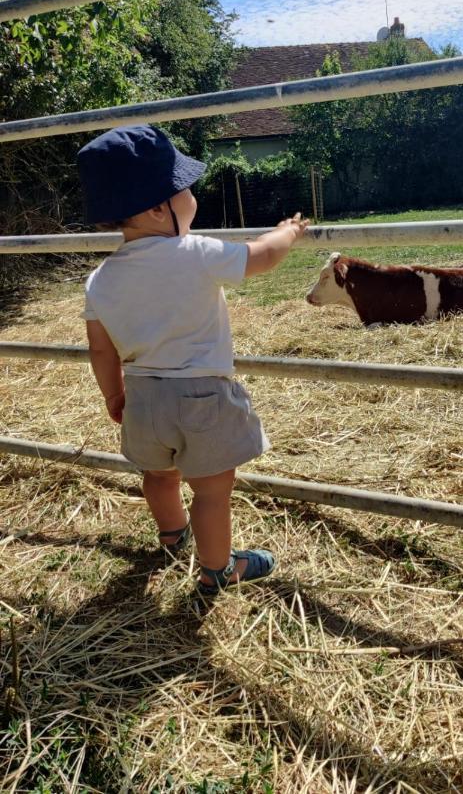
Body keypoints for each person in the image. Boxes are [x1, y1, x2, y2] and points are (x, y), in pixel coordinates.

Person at [77, 124, 308, 595]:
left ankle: (170, 533)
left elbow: (101, 349)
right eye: (185, 188)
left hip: (142, 399)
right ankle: (217, 569)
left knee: (159, 477)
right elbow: (260, 257)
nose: (192, 196)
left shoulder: (100, 279)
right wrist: (287, 233)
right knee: (211, 490)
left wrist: (115, 396)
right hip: (202, 395)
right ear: (161, 207)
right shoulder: (195, 253)